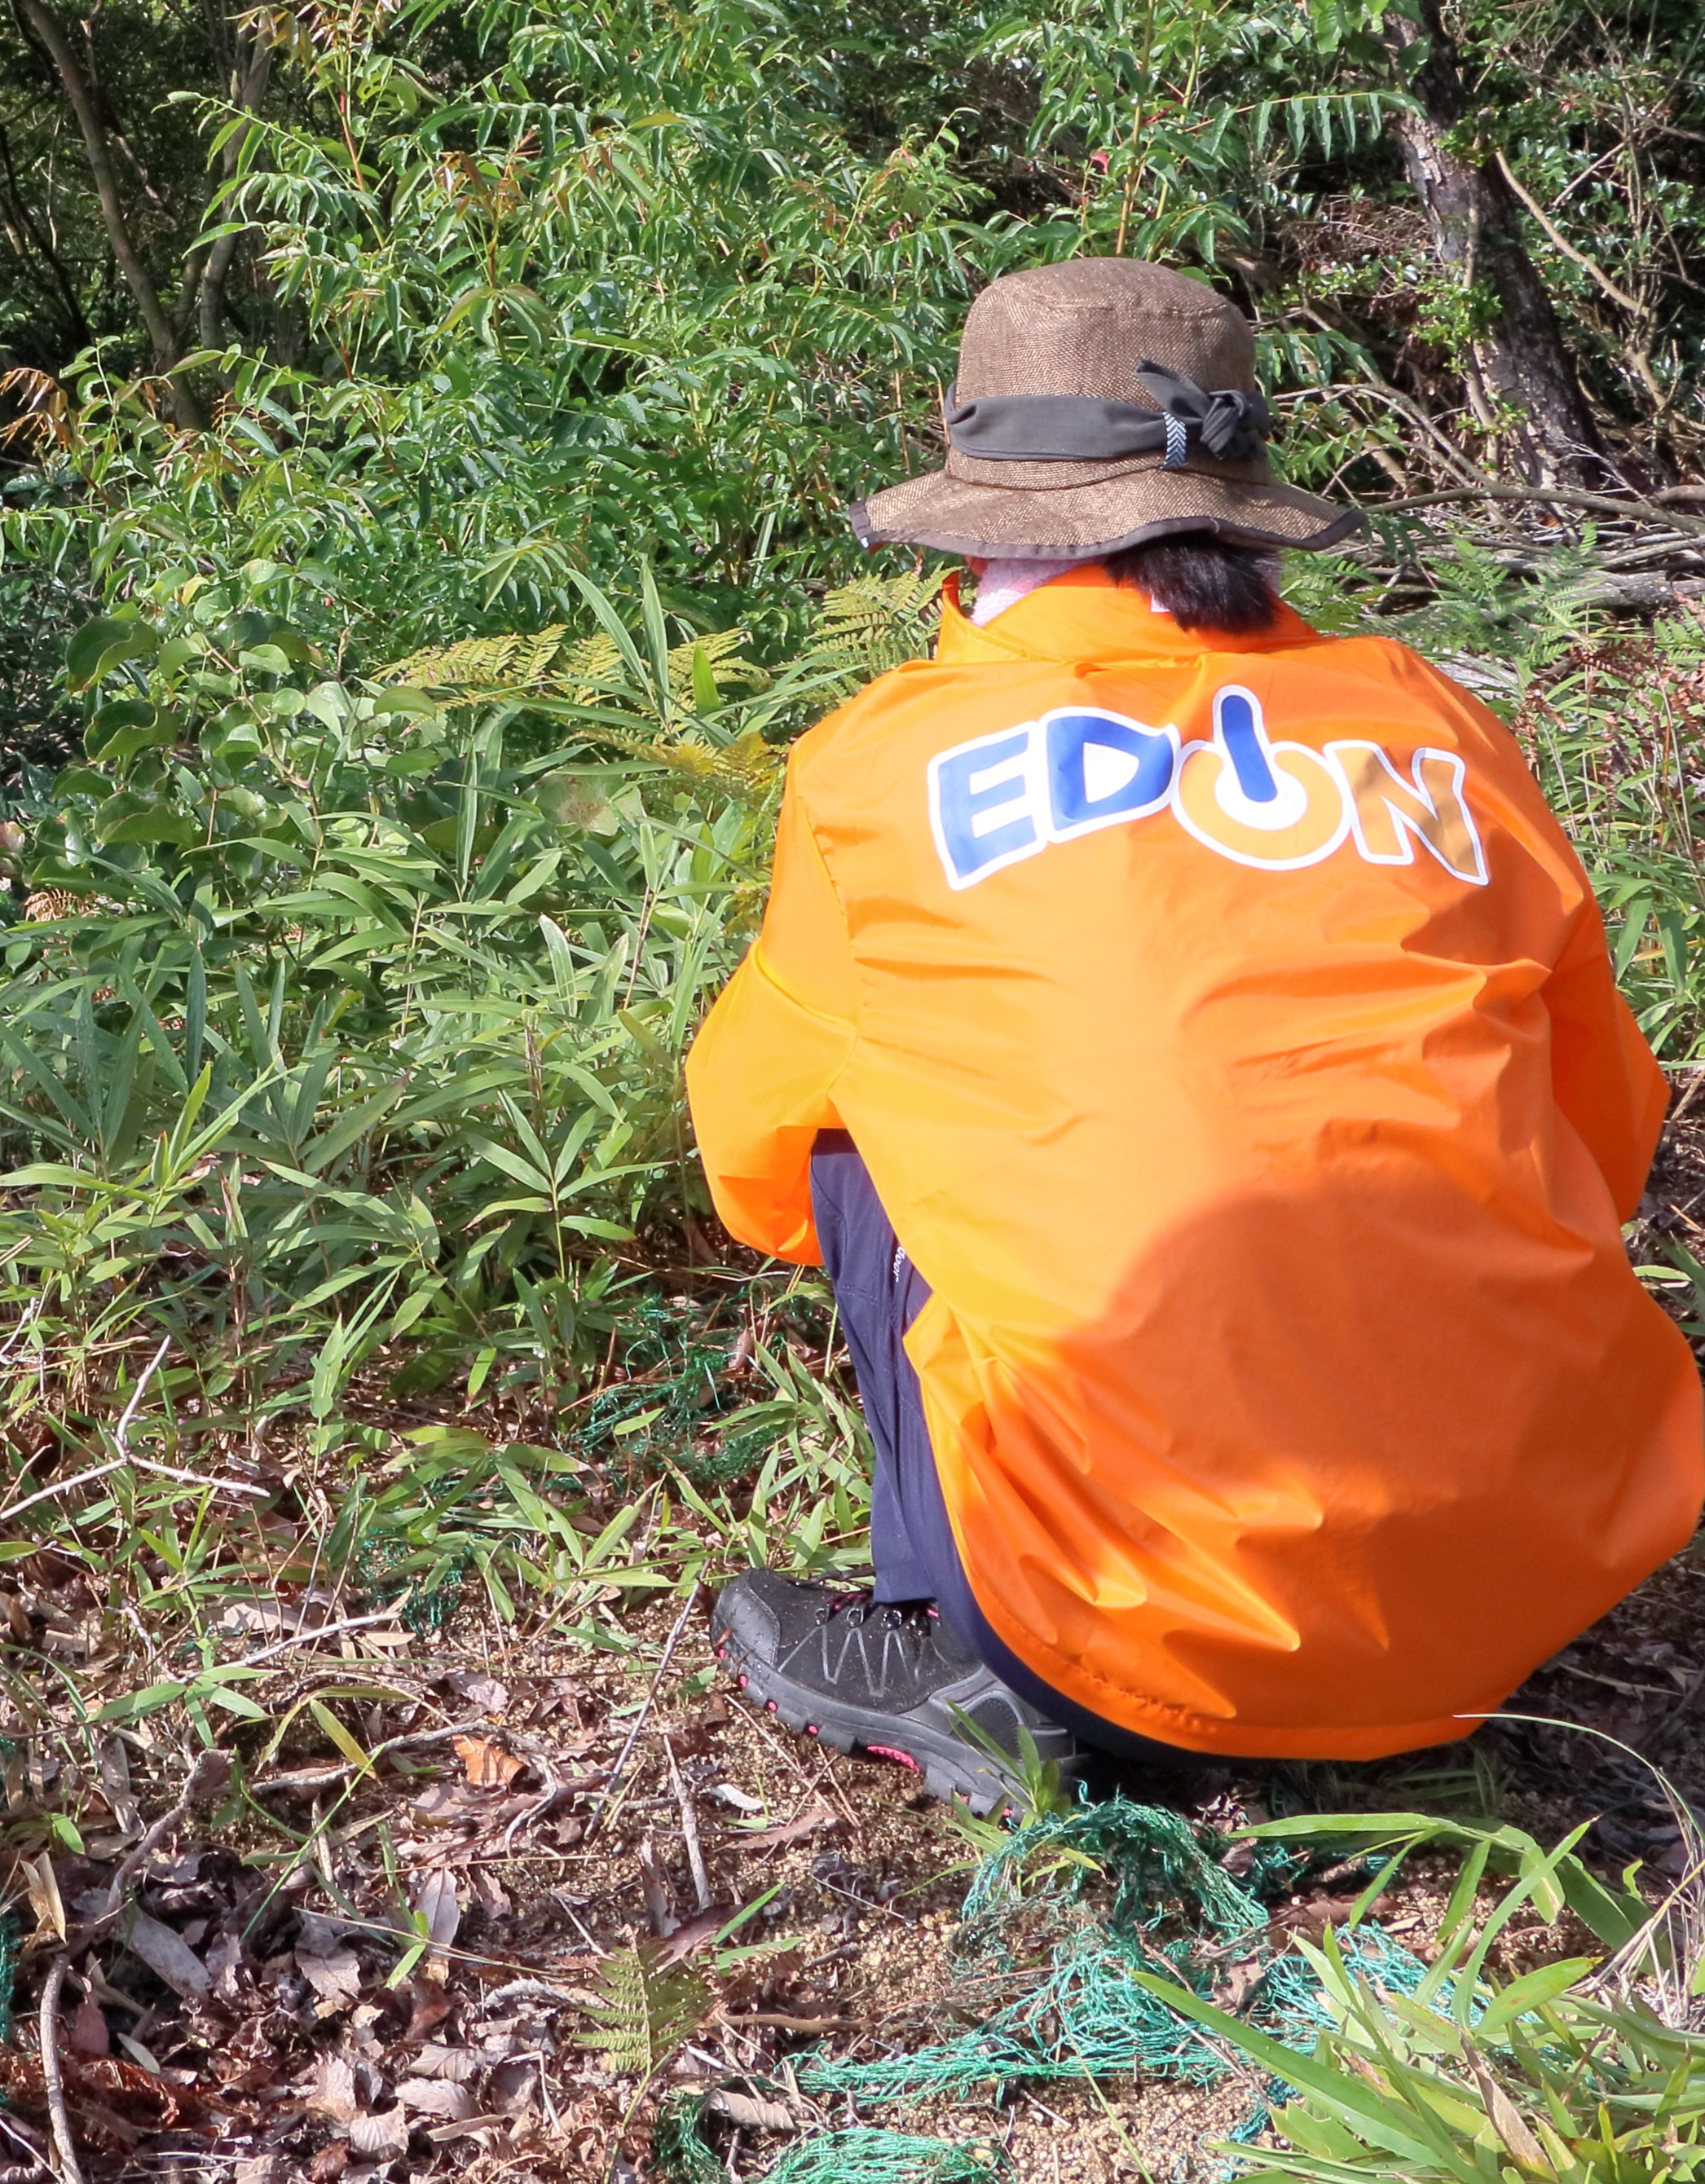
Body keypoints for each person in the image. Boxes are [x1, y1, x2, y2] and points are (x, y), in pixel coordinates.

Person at [689, 257, 1703, 1812]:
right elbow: (1604, 1128)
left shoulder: (887, 762)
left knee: (847, 1117)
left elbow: (754, 1164)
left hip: (1125, 1650)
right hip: (1529, 1585)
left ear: (979, 518)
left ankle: (945, 1644)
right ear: (1238, 508)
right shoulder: (1423, 719)